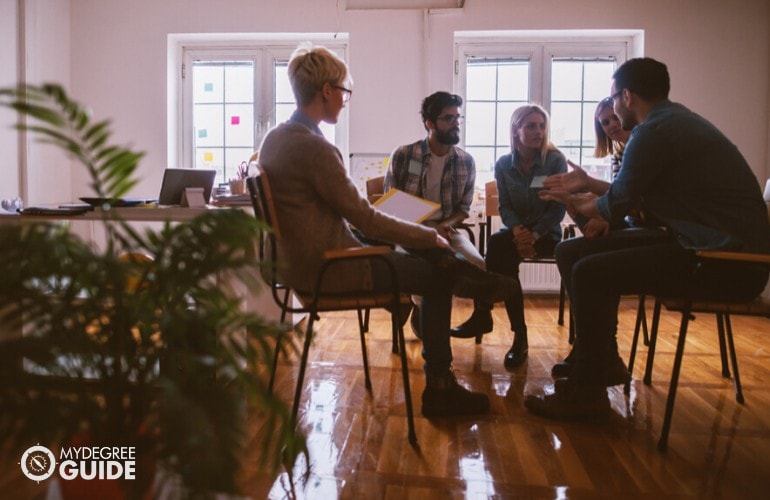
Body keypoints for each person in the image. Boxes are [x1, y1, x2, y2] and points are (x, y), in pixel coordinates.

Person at [258, 43, 515, 417]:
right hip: (330, 268)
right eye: (345, 91)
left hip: (299, 262)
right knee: (434, 277)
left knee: (428, 255)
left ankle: (460, 270)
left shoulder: (275, 139)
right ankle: (440, 386)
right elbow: (365, 216)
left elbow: (346, 215)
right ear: (326, 91)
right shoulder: (314, 148)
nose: (346, 100)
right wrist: (429, 236)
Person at [526, 57, 770, 420]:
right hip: (705, 245)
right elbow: (636, 202)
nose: (611, 108)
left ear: (627, 95)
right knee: (571, 250)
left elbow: (615, 204)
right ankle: (599, 359)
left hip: (727, 263)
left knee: (590, 271)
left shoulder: (652, 132)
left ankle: (588, 392)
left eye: (613, 100)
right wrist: (585, 196)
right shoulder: (672, 121)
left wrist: (572, 199)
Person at [452, 105, 567, 369]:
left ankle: (487, 315)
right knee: (498, 244)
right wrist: (517, 231)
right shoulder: (504, 164)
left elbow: (558, 206)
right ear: (516, 131)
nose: (538, 131)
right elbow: (505, 206)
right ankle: (517, 334)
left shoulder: (555, 161)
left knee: (499, 250)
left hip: (546, 234)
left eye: (541, 125)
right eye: (530, 126)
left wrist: (534, 235)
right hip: (517, 234)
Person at [384, 91, 485, 340]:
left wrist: (445, 225)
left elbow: (463, 208)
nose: (456, 124)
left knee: (478, 265)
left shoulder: (466, 162)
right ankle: (422, 310)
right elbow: (390, 201)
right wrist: (418, 228)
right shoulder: (404, 155)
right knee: (427, 269)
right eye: (448, 118)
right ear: (430, 123)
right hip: (409, 230)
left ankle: (479, 315)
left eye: (458, 118)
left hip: (446, 230)